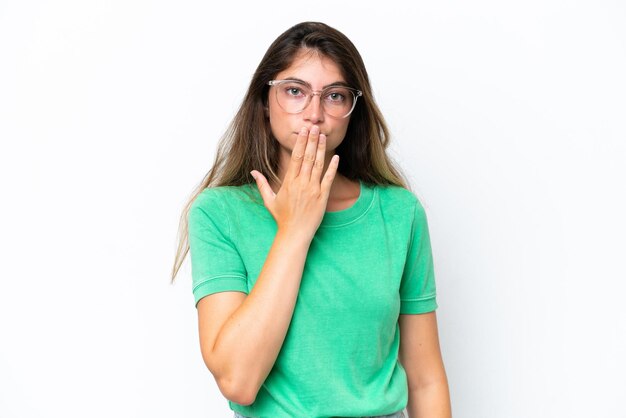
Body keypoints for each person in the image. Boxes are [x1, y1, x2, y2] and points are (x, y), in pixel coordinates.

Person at [171, 21, 452, 418]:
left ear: (353, 111)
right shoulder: (218, 213)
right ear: (265, 101)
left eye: (334, 96)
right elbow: (238, 381)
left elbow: (425, 378)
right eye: (295, 91)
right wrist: (294, 230)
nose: (314, 114)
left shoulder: (400, 214)